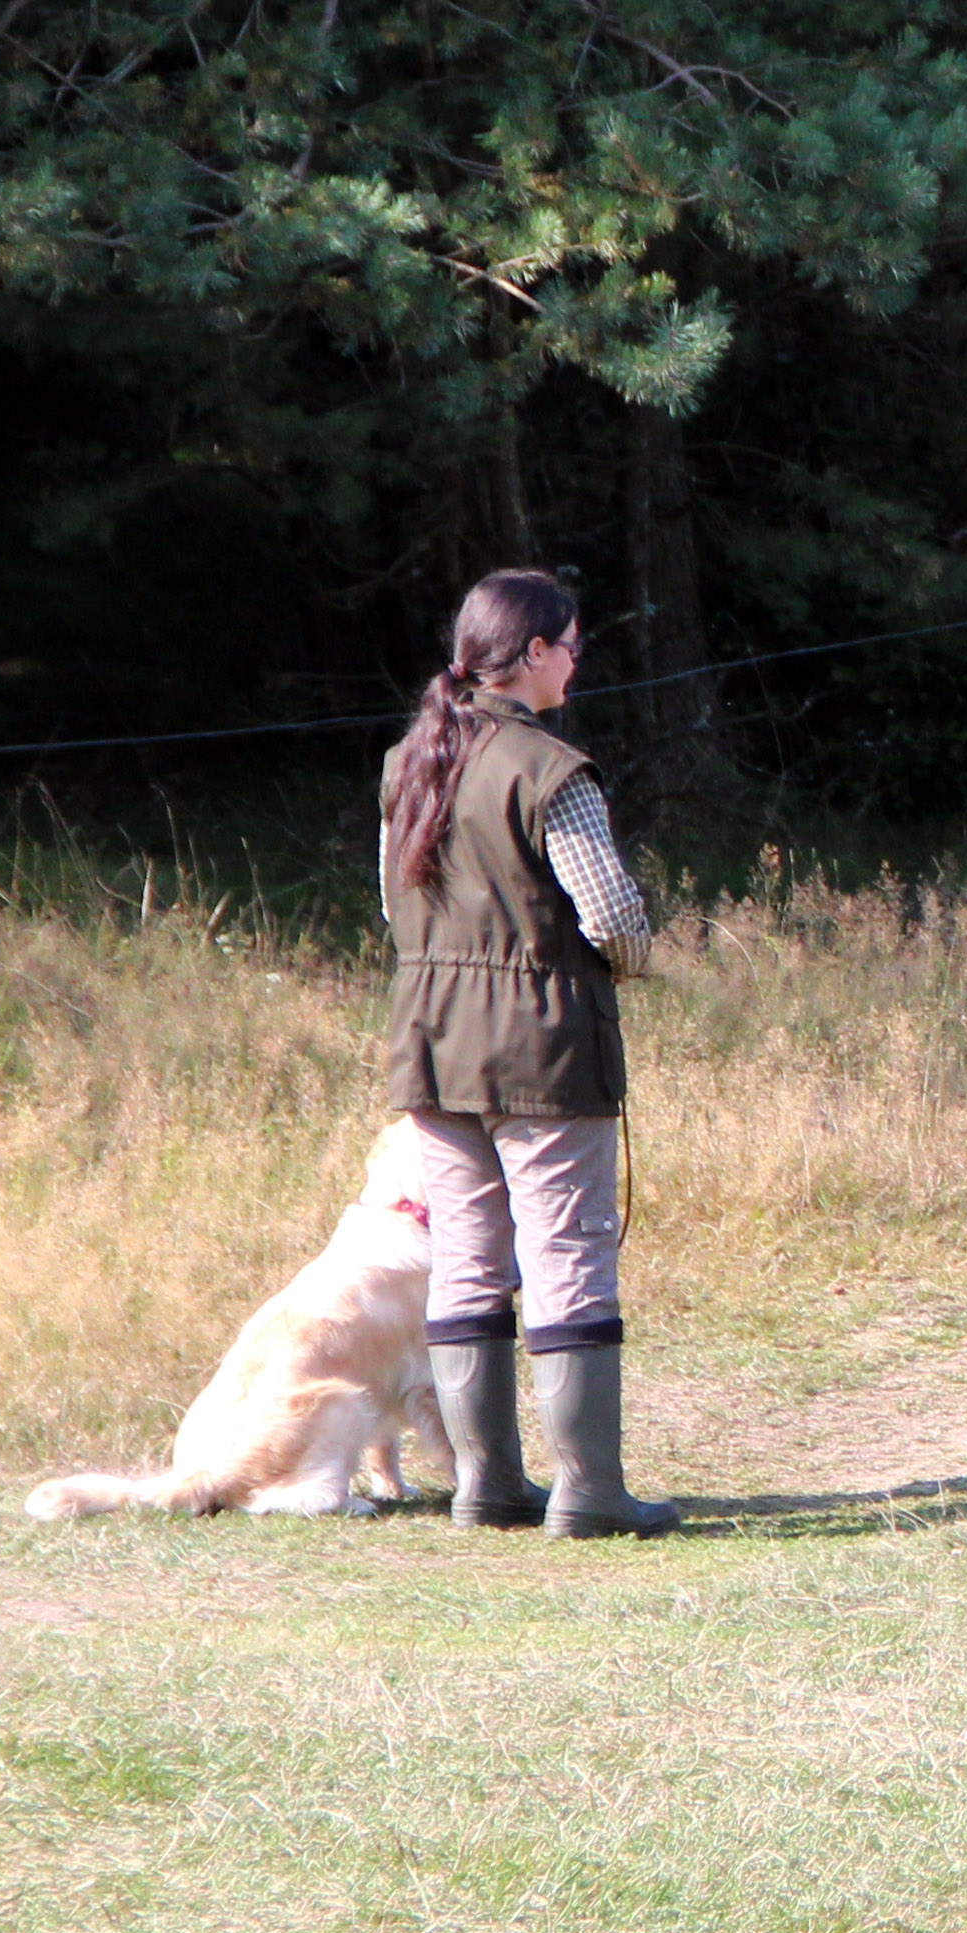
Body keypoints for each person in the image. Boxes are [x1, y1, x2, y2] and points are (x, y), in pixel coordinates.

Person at [383, 568, 675, 1536]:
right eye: (573, 643)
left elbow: (395, 911)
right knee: (567, 1255)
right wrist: (622, 970)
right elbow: (618, 920)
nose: (581, 659)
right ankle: (589, 1494)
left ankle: (488, 1487)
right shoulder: (554, 772)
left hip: (430, 1041)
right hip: (542, 1044)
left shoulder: (407, 762)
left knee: (467, 1260)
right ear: (535, 655)